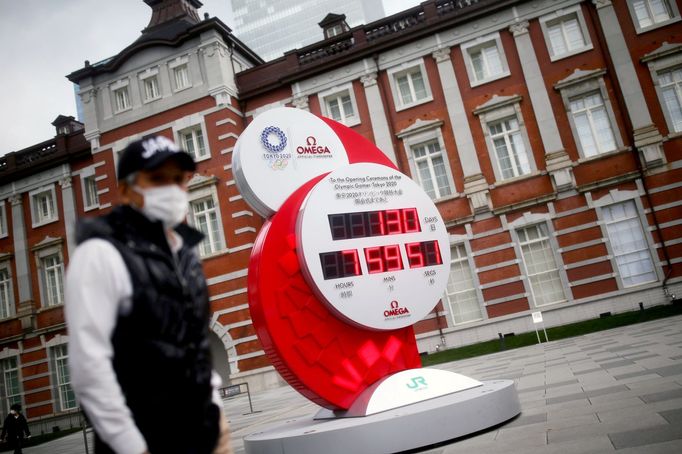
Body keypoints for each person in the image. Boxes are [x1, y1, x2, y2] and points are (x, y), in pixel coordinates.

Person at [65, 136, 232, 454]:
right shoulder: (100, 253)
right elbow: (89, 365)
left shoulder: (185, 252)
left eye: (178, 179)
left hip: (205, 434)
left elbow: (195, 345)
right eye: (157, 179)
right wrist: (130, 445)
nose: (171, 189)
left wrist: (217, 415)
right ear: (127, 190)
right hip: (144, 440)